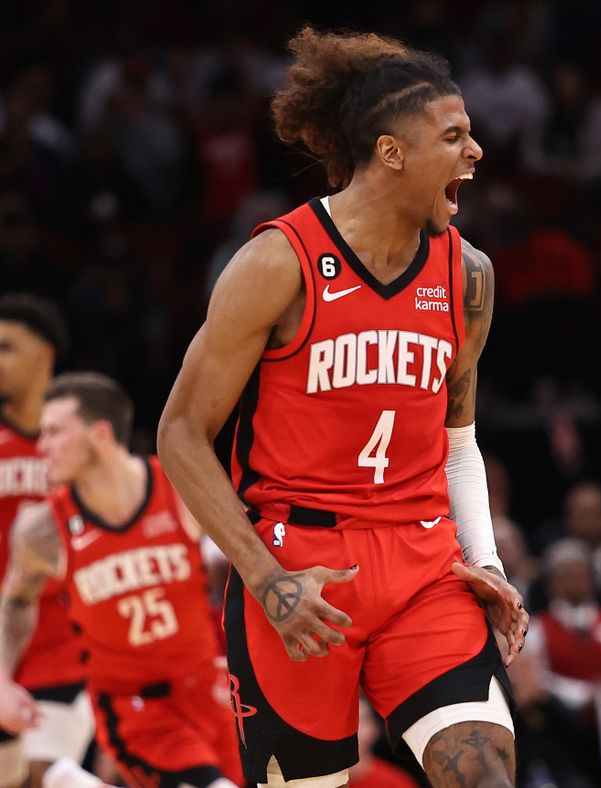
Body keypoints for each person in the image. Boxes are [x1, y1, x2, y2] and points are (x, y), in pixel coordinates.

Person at [158, 26, 528, 788]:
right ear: (392, 153)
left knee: (486, 774)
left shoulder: (468, 276)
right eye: (454, 135)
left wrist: (486, 563)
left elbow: (459, 440)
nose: (476, 151)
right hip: (301, 569)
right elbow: (182, 433)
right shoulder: (277, 262)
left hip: (424, 563)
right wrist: (265, 579)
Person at [0, 372, 243, 788]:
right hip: (133, 708)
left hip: (209, 689)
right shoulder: (42, 530)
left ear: (99, 433)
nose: (42, 447)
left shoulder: (180, 488)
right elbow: (17, 602)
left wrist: (243, 653)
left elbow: (241, 563)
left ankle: (61, 780)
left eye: (55, 432)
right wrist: (1, 679)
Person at [0, 294, 90, 788]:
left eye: (7, 347)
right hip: (4, 638)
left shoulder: (82, 446)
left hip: (64, 644)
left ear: (45, 356)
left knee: (38, 774)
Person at [509, 539, 601, 788]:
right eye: (566, 575)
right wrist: (580, 696)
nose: (575, 581)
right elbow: (535, 676)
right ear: (552, 582)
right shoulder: (538, 628)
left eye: (581, 573)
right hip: (566, 732)